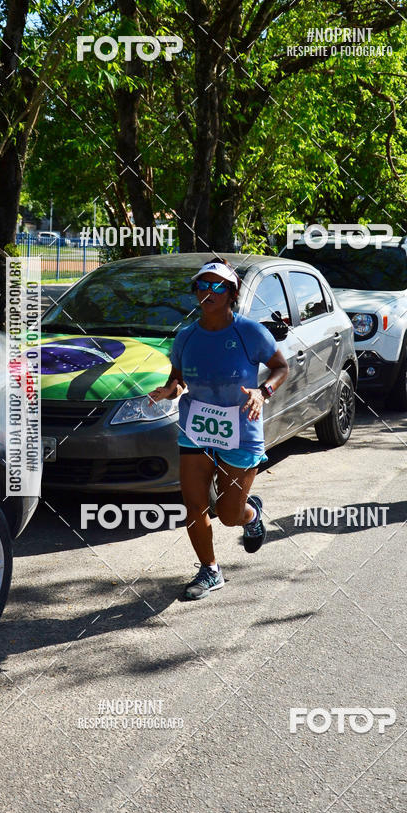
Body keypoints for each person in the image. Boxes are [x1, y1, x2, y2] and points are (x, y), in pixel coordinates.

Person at [148, 257, 289, 599]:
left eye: (217, 286)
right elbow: (178, 380)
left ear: (231, 292)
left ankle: (250, 513)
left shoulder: (250, 332)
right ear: (195, 291)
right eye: (202, 285)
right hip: (196, 429)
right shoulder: (185, 337)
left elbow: (280, 367)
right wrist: (169, 390)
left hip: (240, 430)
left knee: (228, 515)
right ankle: (210, 570)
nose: (208, 292)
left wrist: (262, 391)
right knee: (194, 506)